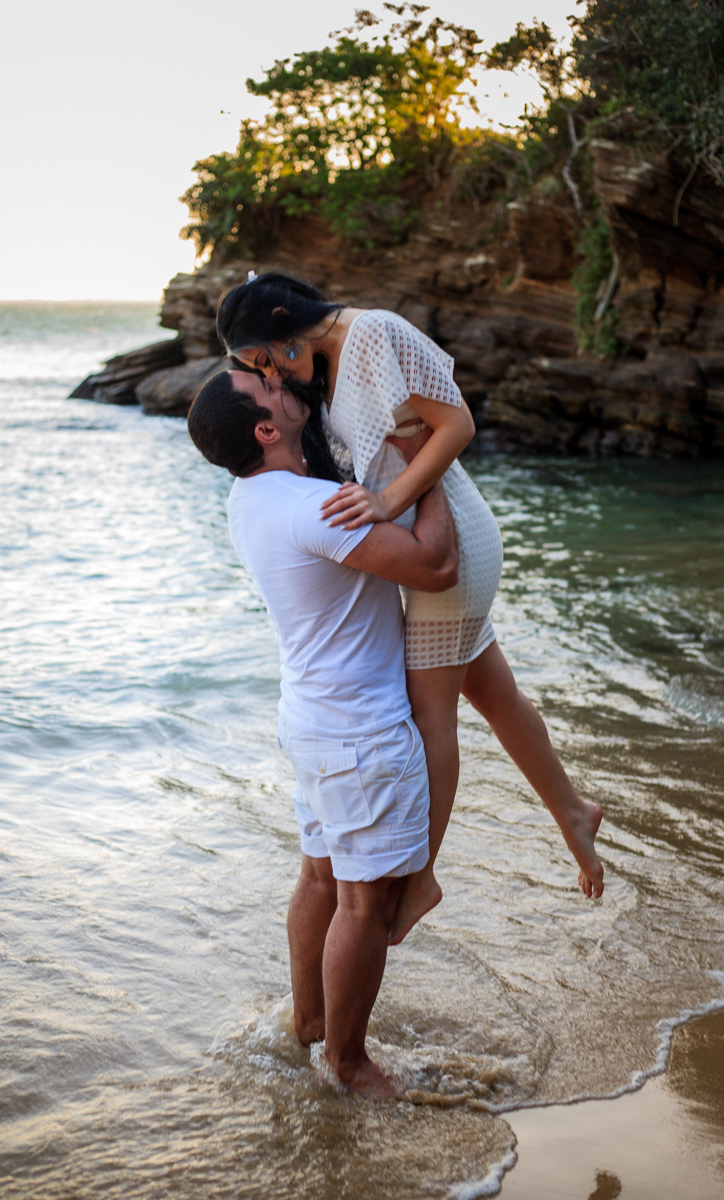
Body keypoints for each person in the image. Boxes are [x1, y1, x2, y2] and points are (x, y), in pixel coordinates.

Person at [215, 272, 605, 943]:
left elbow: (458, 425)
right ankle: (574, 813)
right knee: (494, 694)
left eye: (265, 358)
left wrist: (389, 502)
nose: (272, 373)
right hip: (423, 545)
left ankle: (421, 876)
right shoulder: (321, 365)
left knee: (431, 718)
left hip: (452, 546)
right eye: (259, 370)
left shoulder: (373, 332)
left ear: (282, 319)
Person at [187, 367, 458, 1098]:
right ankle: (347, 1062)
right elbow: (436, 565)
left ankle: (309, 1021)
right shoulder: (314, 509)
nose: (279, 379)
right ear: (265, 430)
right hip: (358, 734)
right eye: (266, 385)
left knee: (319, 877)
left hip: (312, 722)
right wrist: (426, 467)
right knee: (364, 904)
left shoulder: (250, 498)